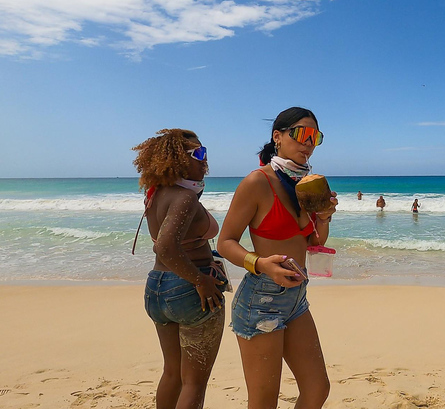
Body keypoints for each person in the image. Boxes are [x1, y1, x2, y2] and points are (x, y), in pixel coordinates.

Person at [217, 107, 337, 409]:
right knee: (263, 402)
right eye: (301, 134)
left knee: (317, 389)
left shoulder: (304, 185)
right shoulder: (258, 183)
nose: (309, 143)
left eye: (315, 137)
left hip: (297, 298)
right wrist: (259, 263)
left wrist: (323, 218)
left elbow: (313, 241)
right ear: (277, 137)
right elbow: (225, 241)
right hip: (261, 301)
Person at [131, 129, 227, 409]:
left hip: (157, 288)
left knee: (172, 372)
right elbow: (165, 247)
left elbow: (163, 247)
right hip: (187, 291)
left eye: (204, 152)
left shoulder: (156, 195)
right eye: (197, 153)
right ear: (176, 159)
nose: (204, 159)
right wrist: (201, 281)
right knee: (194, 381)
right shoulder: (184, 197)